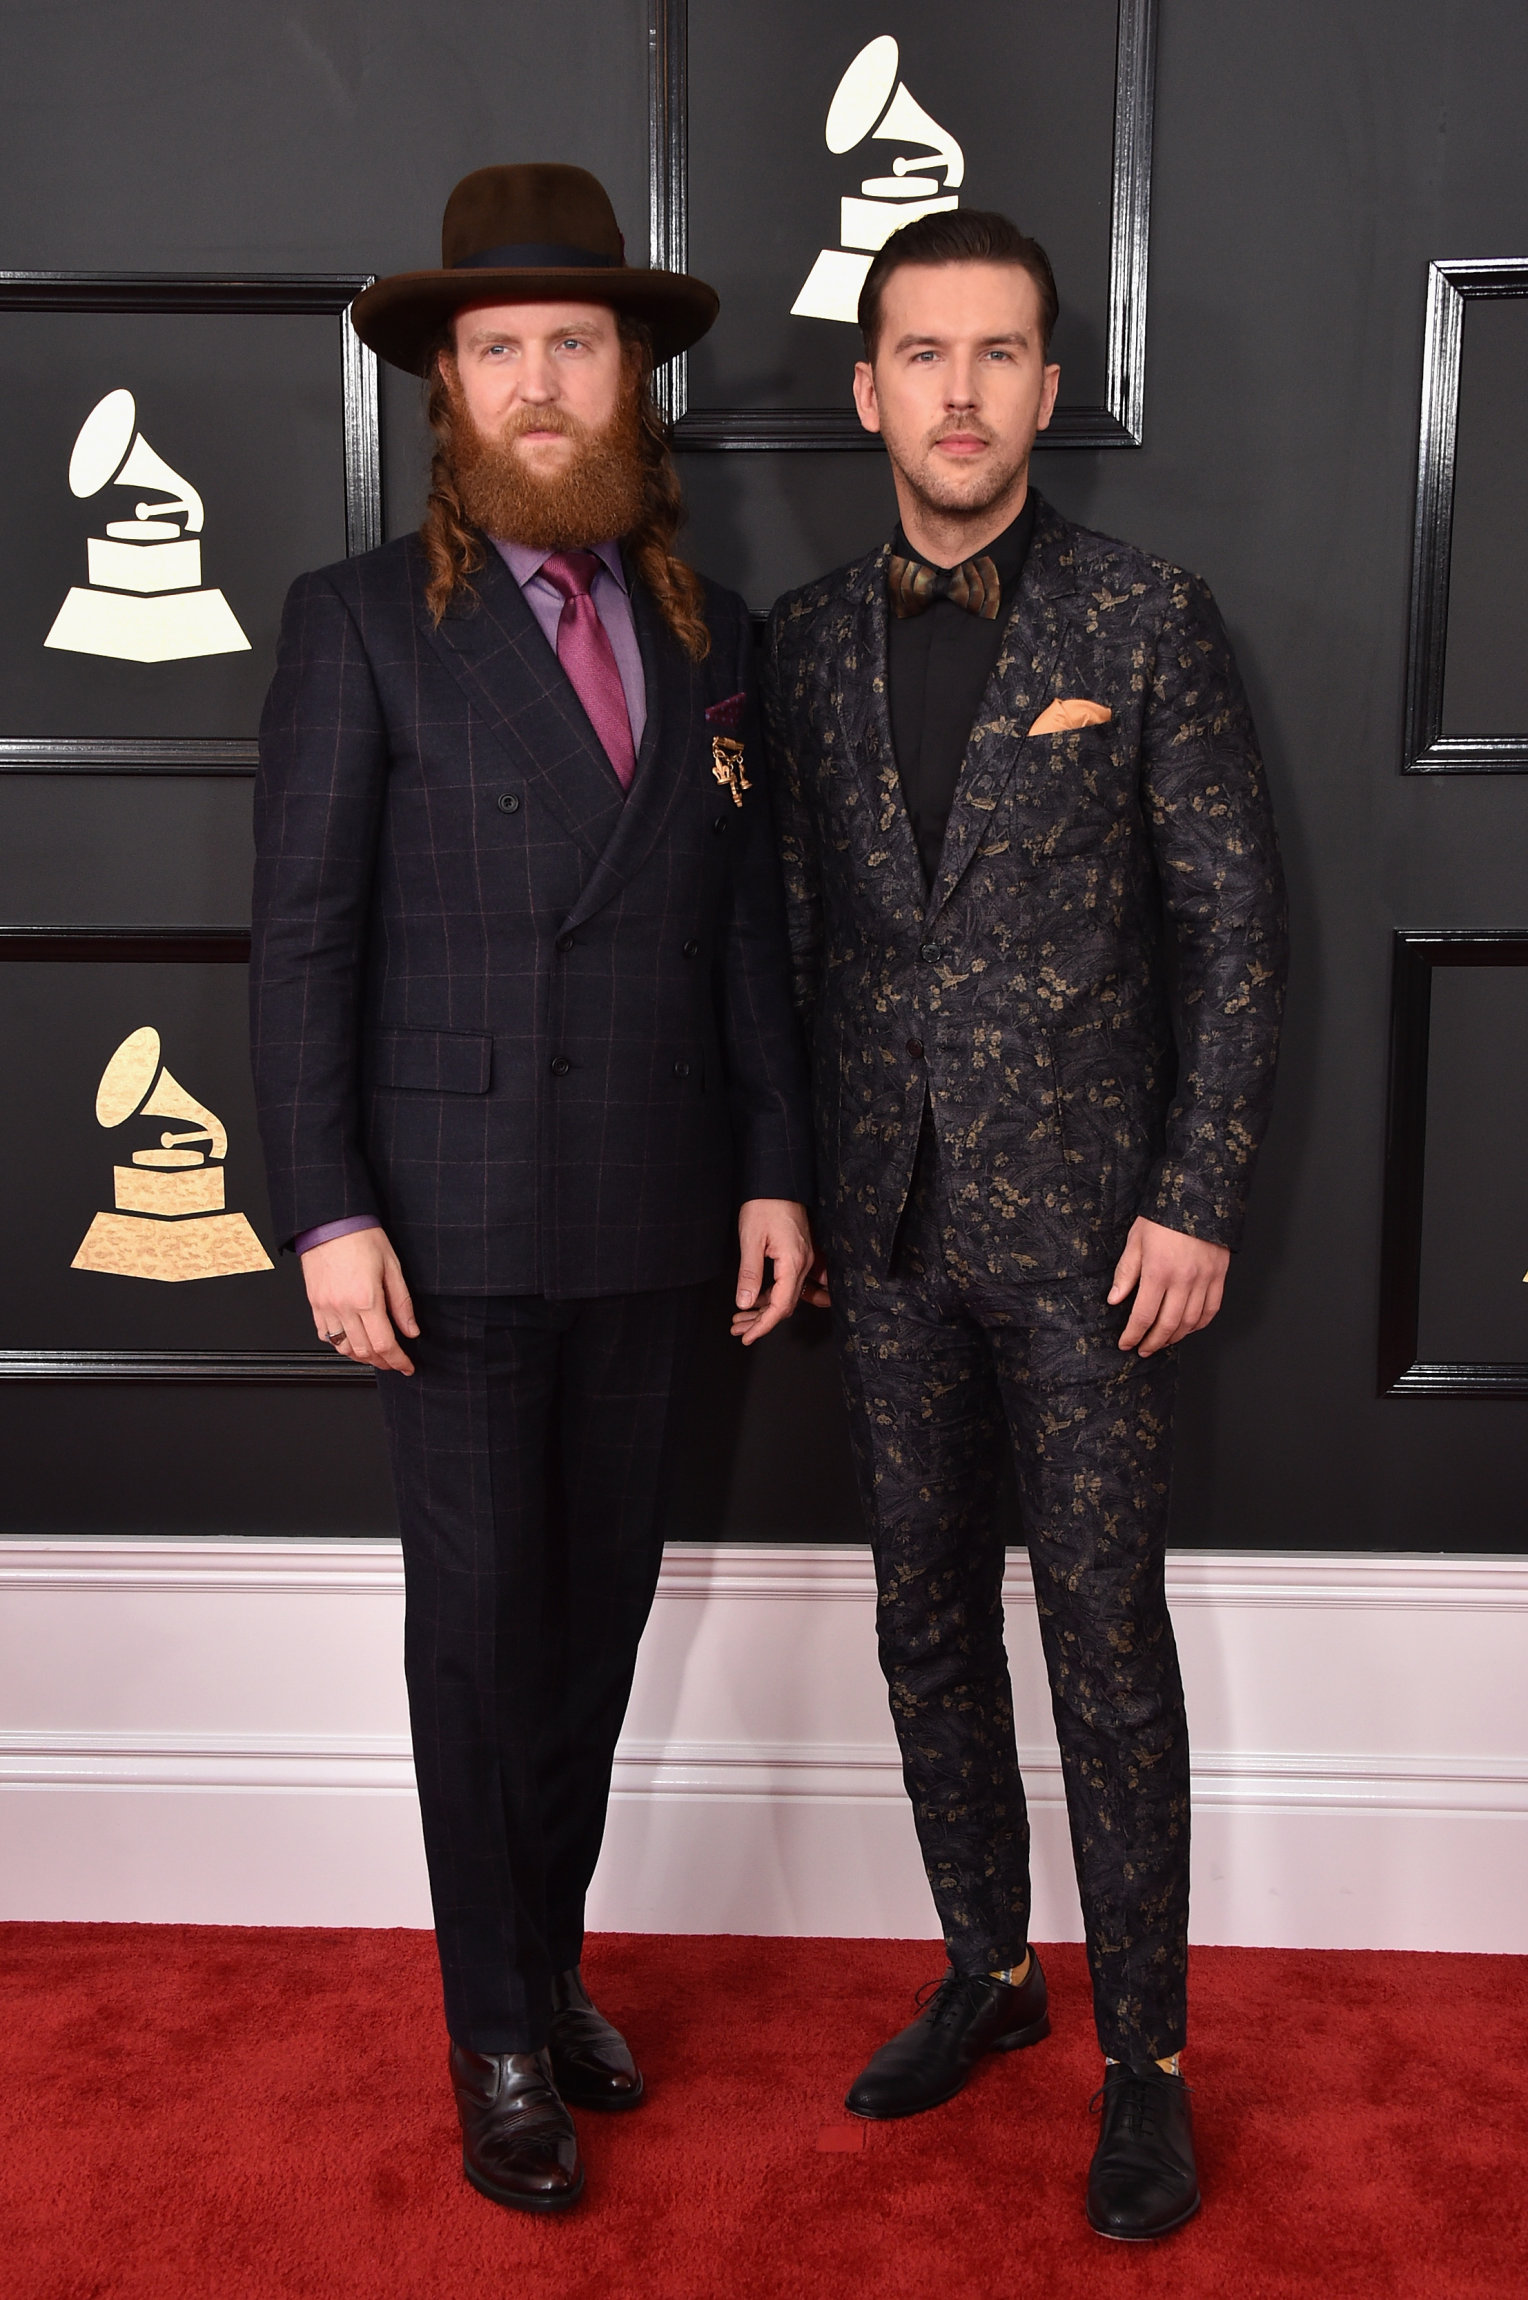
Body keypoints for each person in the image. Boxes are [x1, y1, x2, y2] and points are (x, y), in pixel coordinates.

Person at [250, 163, 814, 2217]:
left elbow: (741, 936)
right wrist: (324, 1208)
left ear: (635, 377)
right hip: (451, 1219)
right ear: (449, 389)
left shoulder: (715, 631)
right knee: (480, 1639)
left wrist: (769, 1165)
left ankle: (546, 1963)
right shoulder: (353, 626)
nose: (542, 380)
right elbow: (302, 943)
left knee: (592, 1627)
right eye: (503, 348)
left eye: (578, 342)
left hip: (659, 1218)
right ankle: (494, 2030)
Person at [761, 209, 1286, 2240]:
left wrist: (1191, 1191)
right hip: (877, 1228)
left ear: (1047, 388)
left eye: (996, 355)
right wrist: (793, 1186)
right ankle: (985, 1966)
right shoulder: (798, 644)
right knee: (915, 1618)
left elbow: (1230, 931)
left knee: (1098, 1641)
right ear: (868, 383)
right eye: (922, 353)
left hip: (1088, 1245)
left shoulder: (1144, 617)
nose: (958, 391)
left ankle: (1142, 2057)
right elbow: (792, 939)